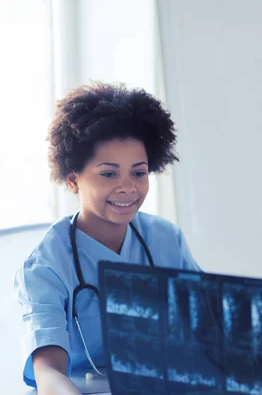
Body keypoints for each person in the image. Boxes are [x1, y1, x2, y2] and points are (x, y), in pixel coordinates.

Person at [14, 83, 201, 394]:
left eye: (139, 173)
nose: (128, 187)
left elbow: (204, 330)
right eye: (109, 174)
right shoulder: (46, 265)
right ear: (73, 179)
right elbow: (48, 372)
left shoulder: (166, 239)